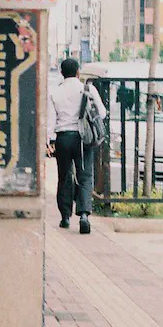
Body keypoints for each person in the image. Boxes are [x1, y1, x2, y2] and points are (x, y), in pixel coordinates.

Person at [47, 58, 106, 235]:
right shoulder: (87, 89)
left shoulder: (55, 92)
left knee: (64, 176)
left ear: (61, 73)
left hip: (63, 138)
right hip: (83, 139)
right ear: (78, 72)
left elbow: (50, 121)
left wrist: (49, 141)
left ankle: (65, 216)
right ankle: (84, 216)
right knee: (85, 175)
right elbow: (101, 113)